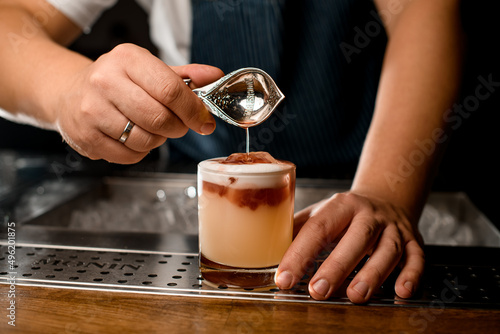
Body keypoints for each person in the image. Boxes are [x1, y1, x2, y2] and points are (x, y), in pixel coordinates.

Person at [0, 0, 464, 303]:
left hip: (369, 178)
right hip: (200, 187)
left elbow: (425, 13)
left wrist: (386, 188)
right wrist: (66, 90)